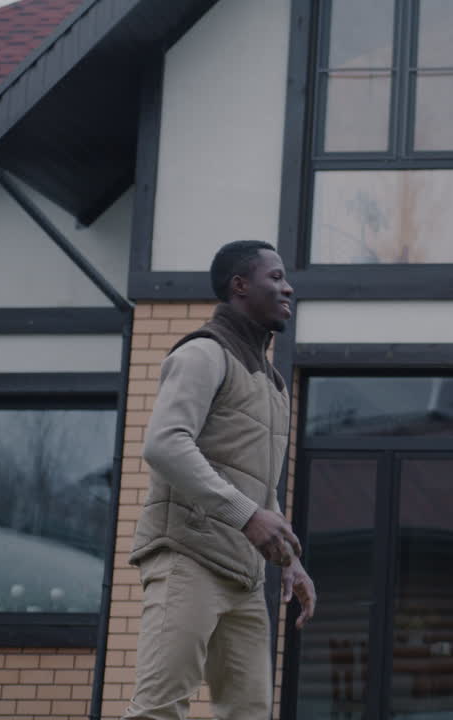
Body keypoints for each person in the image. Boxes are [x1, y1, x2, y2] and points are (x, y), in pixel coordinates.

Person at [124, 240, 316, 720]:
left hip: (245, 577)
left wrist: (288, 558)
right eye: (275, 277)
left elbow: (259, 482)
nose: (288, 286)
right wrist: (247, 516)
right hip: (187, 557)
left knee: (249, 714)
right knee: (158, 712)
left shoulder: (272, 382)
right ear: (240, 285)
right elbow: (165, 444)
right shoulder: (204, 353)